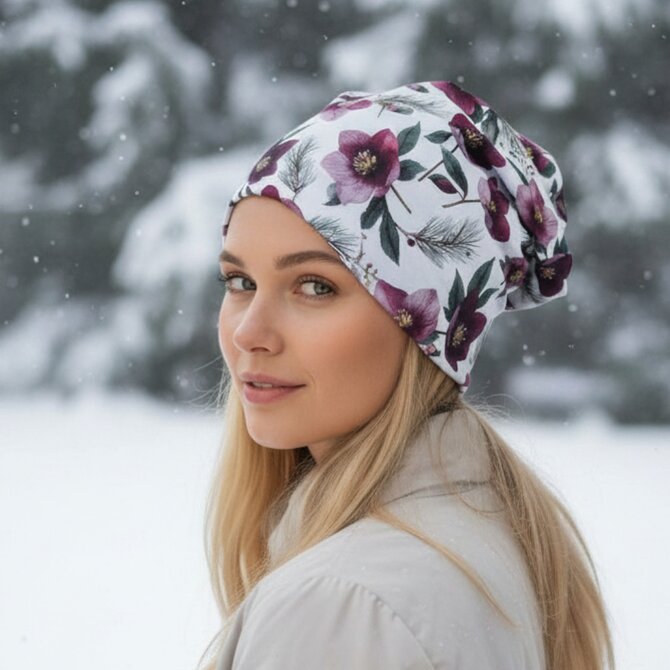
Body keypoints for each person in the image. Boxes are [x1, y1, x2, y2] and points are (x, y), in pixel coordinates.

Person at [199, 80, 615, 670]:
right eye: (240, 282)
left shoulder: (343, 605)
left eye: (315, 287)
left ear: (422, 323)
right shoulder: (486, 536)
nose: (248, 333)